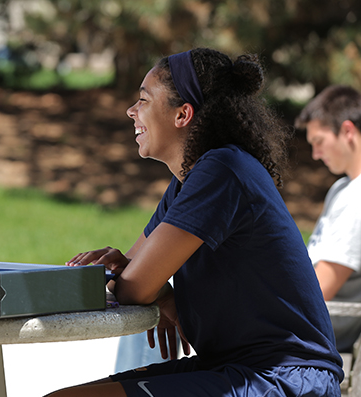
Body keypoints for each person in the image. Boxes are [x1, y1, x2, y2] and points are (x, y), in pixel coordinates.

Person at [50, 48, 344, 397]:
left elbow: (133, 285)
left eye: (143, 100)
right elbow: (131, 274)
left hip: (284, 376)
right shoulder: (188, 182)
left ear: (182, 114)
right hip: (235, 367)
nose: (131, 111)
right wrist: (154, 290)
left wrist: (156, 292)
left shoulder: (222, 171)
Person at [295, 85, 361, 353]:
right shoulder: (349, 188)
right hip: (306, 330)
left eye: (319, 142)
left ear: (347, 131)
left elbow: (316, 293)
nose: (315, 154)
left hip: (310, 340)